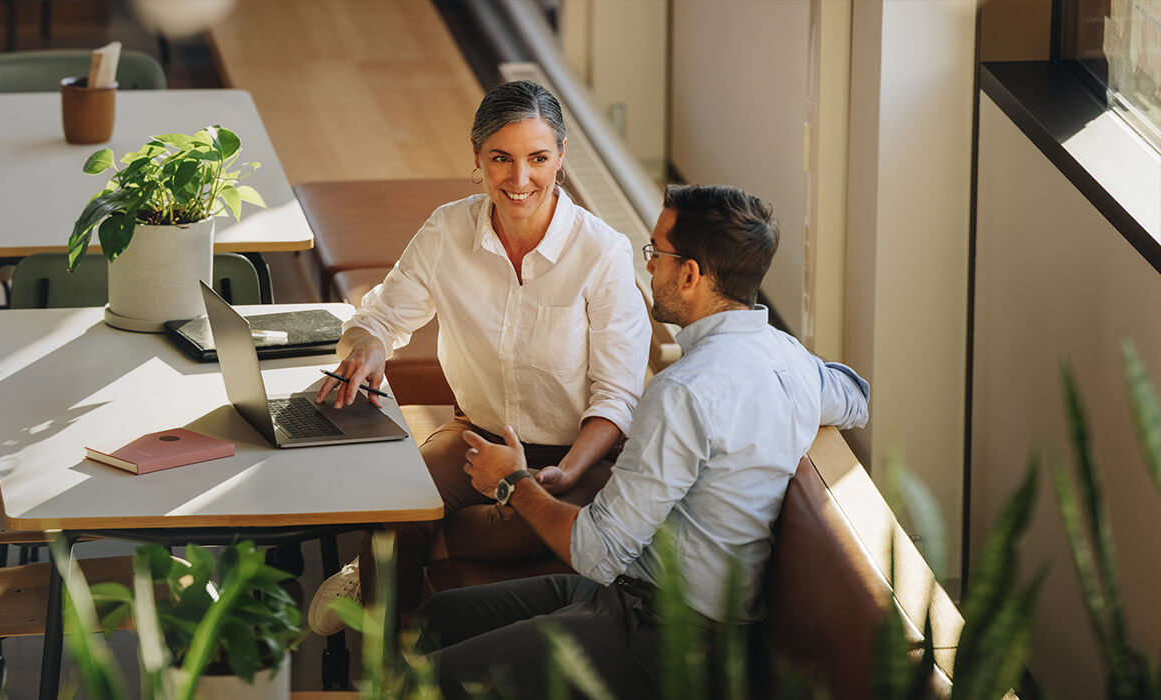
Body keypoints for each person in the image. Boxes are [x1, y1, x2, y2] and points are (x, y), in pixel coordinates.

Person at [413, 184, 872, 697]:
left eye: (656, 254)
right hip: (641, 594)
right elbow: (855, 395)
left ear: (691, 274)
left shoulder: (684, 392)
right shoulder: (789, 358)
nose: (648, 267)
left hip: (666, 636)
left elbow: (596, 550)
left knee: (425, 683)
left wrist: (512, 482)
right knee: (439, 616)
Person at [307, 79, 652, 634]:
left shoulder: (602, 253)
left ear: (561, 158)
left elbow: (617, 397)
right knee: (395, 502)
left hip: (577, 455)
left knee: (496, 525)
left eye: (538, 158)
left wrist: (561, 474)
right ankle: (387, 670)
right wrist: (368, 346)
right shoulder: (447, 230)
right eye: (501, 158)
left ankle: (393, 565)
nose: (520, 180)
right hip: (477, 437)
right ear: (477, 158)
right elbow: (380, 318)